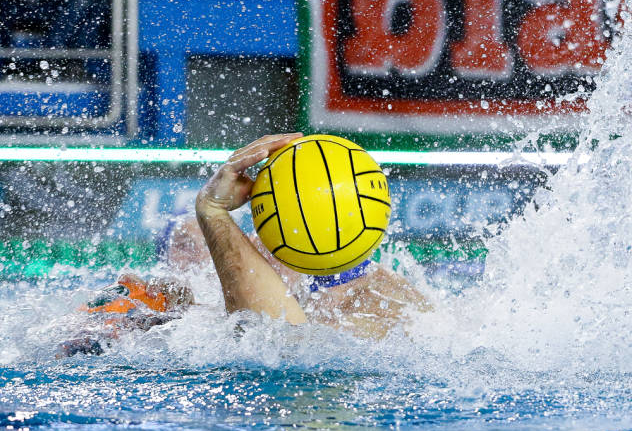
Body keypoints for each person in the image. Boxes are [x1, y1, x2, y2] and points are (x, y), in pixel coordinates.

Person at [59, 133, 429, 357]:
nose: (253, 246)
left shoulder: (384, 304)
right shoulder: (180, 302)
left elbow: (275, 344)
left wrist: (213, 211)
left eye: (267, 238)